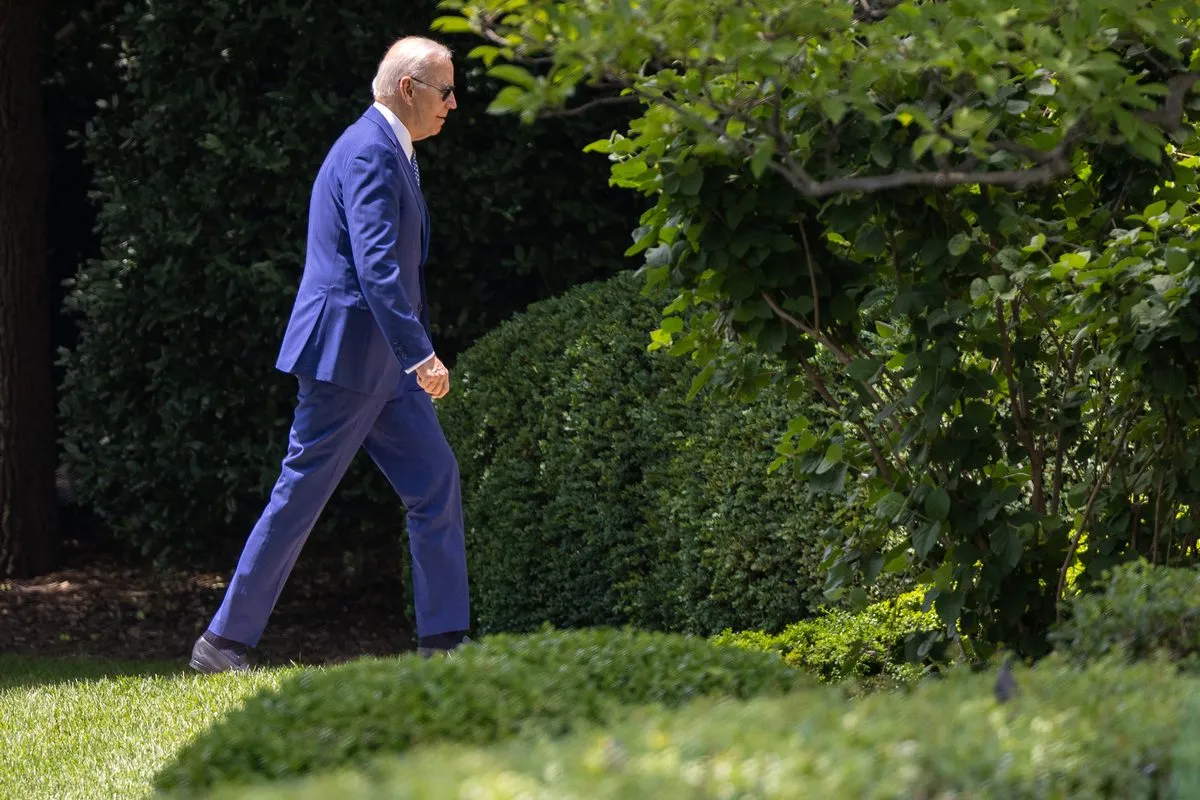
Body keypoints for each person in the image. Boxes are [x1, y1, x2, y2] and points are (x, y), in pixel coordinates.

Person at [190, 35, 470, 672]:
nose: (453, 103)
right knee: (300, 498)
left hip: (384, 367)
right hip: (349, 359)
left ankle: (445, 643)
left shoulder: (387, 148)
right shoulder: (370, 151)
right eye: (446, 90)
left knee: (434, 482)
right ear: (409, 89)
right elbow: (376, 270)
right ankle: (223, 644)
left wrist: (407, 358)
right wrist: (421, 355)